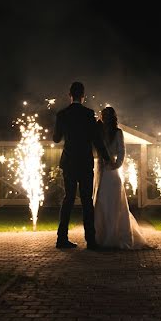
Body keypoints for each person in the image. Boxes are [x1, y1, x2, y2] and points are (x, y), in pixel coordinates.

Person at [53, 81, 112, 250]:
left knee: (68, 199)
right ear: (83, 95)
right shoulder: (88, 114)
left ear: (69, 95)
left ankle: (61, 238)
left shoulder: (62, 115)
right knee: (87, 201)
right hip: (85, 162)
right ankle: (91, 241)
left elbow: (56, 139)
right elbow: (96, 139)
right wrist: (107, 157)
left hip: (69, 162)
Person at [92, 106, 151, 250]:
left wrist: (116, 165)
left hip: (111, 171)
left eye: (106, 116)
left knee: (113, 203)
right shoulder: (99, 131)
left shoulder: (118, 133)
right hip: (100, 170)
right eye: (103, 115)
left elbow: (121, 151)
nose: (104, 118)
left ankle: (113, 236)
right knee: (101, 201)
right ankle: (100, 236)